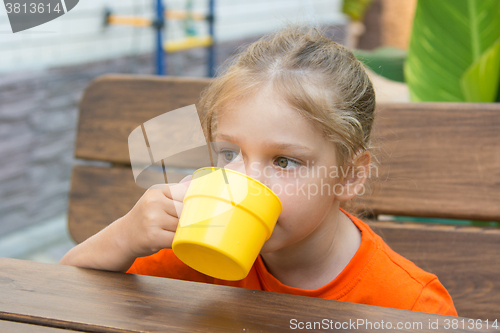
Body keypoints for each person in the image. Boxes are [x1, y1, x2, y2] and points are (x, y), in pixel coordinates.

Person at [60, 25, 457, 316]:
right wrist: (125, 236)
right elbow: (60, 295)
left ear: (350, 176)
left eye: (284, 161)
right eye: (230, 152)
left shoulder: (411, 306)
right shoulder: (197, 252)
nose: (244, 180)